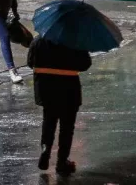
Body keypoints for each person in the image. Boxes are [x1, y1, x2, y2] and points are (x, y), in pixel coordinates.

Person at [27, 36, 92, 176]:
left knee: (49, 121)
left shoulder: (38, 41)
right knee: (67, 127)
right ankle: (62, 162)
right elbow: (85, 64)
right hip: (69, 91)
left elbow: (30, 62)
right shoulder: (75, 41)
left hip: (46, 90)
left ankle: (45, 148)